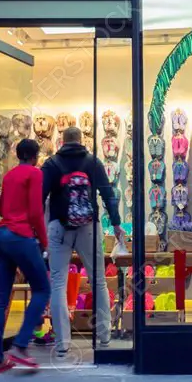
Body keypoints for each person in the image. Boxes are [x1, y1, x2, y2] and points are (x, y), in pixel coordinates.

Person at [42, 126, 122, 357]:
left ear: (62, 141)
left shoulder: (52, 164)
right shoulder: (92, 162)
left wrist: (39, 231)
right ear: (80, 140)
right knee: (98, 281)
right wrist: (116, 224)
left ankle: (62, 344)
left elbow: (40, 197)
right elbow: (108, 194)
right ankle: (104, 336)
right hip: (89, 226)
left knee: (58, 283)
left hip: (59, 226)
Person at [0, 138, 52, 374]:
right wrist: (44, 242)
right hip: (20, 236)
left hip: (1, 234)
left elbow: (2, 209)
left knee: (1, 298)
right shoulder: (34, 174)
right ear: (35, 156)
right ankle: (21, 345)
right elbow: (36, 212)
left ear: (17, 155)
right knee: (43, 289)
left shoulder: (9, 175)